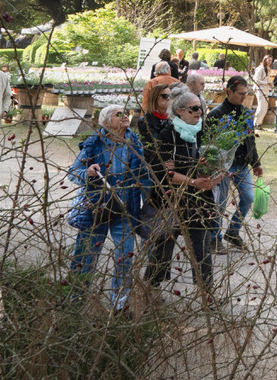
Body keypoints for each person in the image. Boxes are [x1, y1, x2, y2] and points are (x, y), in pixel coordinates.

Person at [66, 104, 152, 310]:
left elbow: (144, 175)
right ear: (105, 122)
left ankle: (120, 305)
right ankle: (75, 300)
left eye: (126, 113)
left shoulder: (134, 143)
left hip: (125, 209)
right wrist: (87, 172)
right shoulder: (94, 143)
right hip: (97, 209)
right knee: (86, 255)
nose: (125, 116)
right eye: (118, 114)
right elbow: (73, 173)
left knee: (125, 256)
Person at [145, 92, 225, 298]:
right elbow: (163, 173)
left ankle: (207, 293)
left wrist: (215, 177)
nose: (199, 112)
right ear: (180, 111)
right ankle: (151, 289)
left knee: (201, 245)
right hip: (171, 199)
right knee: (164, 244)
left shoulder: (203, 132)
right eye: (194, 108)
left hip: (198, 199)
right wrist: (192, 181)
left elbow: (216, 161)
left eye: (201, 108)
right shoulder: (167, 134)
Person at [207, 75, 263, 249]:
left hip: (242, 164)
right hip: (222, 166)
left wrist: (256, 163)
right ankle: (214, 238)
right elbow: (208, 144)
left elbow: (250, 140)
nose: (243, 97)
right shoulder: (216, 114)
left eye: (246, 94)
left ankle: (232, 231)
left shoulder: (246, 113)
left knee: (248, 198)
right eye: (240, 93)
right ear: (229, 91)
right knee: (220, 203)